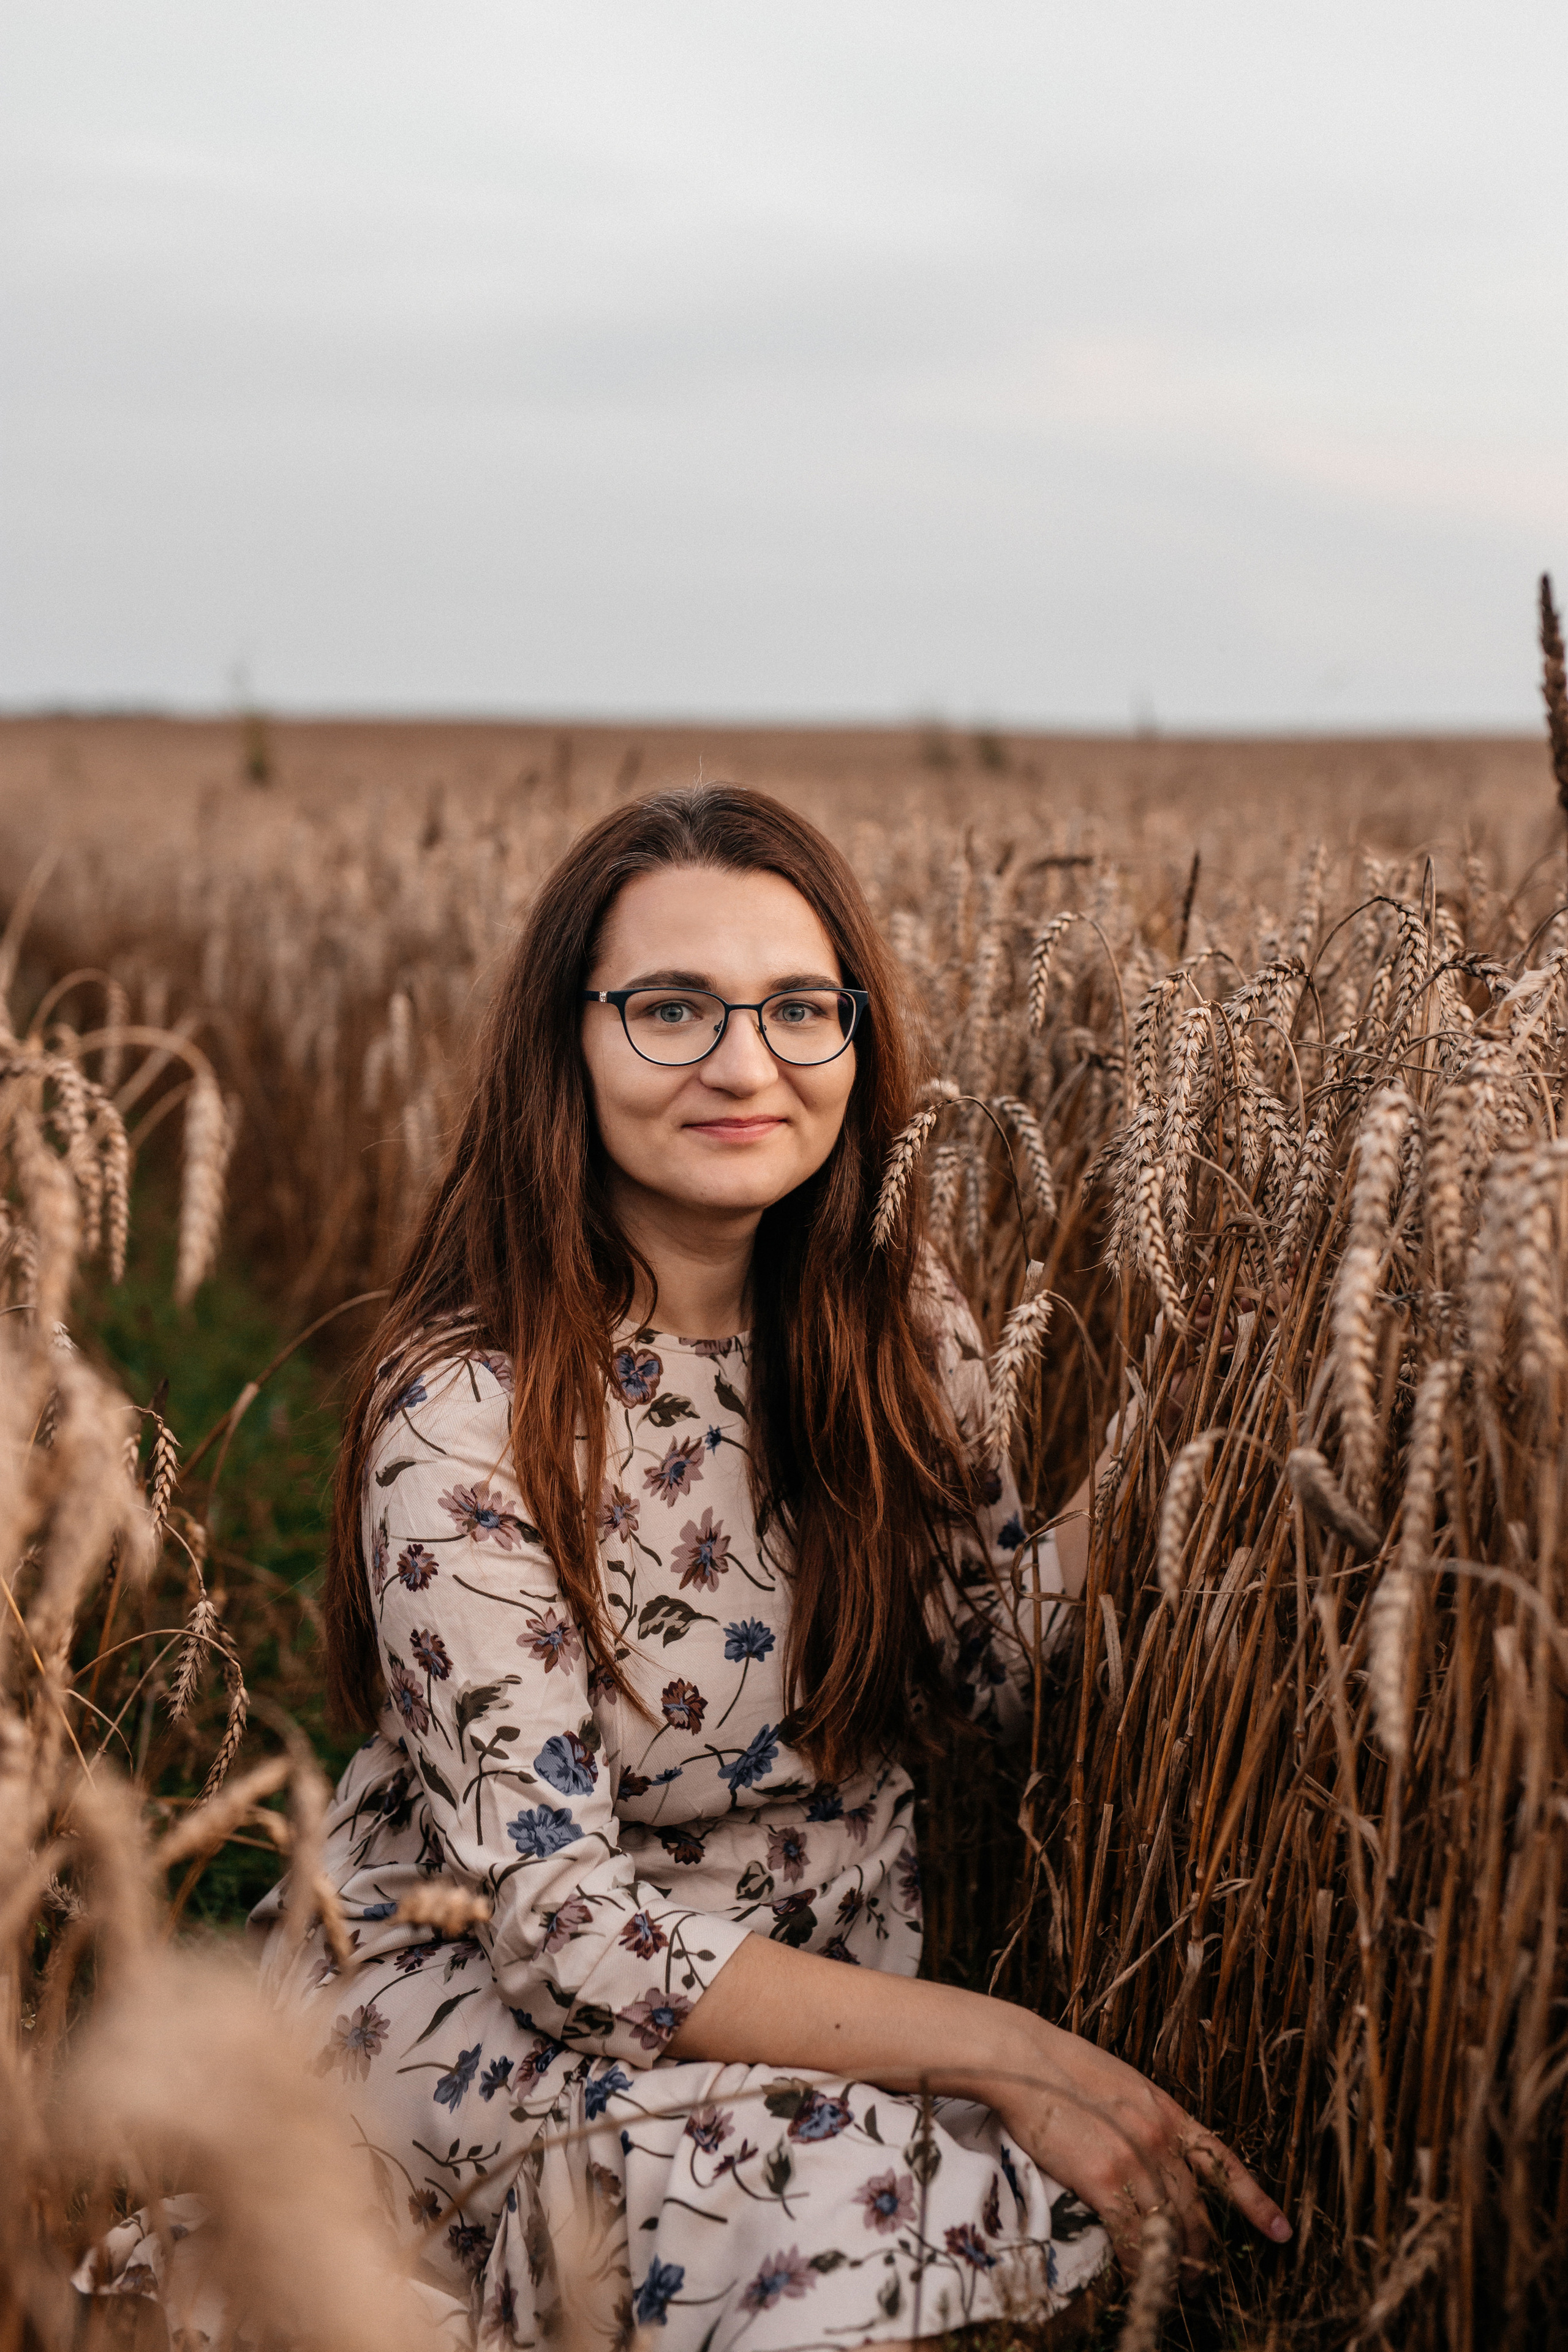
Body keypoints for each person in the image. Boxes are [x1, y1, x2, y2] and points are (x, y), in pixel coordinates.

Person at [254, 784, 1289, 2349]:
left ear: (856, 1039)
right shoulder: (463, 1410)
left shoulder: (895, 1318)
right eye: (670, 1009)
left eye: (800, 1008)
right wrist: (1009, 2048)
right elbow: (564, 1933)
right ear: (567, 1043)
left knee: (1027, 2208)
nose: (745, 1065)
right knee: (858, 2203)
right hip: (493, 2006)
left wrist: (1193, 1445)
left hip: (824, 1989)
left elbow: (981, 1671)